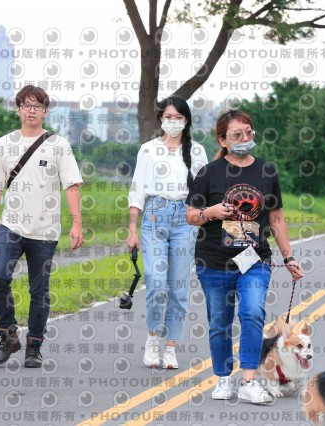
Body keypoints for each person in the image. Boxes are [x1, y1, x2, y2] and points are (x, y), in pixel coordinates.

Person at [186, 110, 303, 404]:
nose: (245, 138)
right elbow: (191, 216)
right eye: (237, 135)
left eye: (249, 132)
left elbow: (276, 218)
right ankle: (223, 379)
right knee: (219, 322)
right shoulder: (209, 173)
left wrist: (289, 258)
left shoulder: (266, 170)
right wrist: (212, 212)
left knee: (252, 313)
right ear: (222, 140)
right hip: (213, 261)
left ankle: (249, 381)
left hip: (255, 259)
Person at [0, 85, 84, 368]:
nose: (31, 110)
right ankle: (8, 336)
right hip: (10, 226)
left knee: (39, 290)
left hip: (45, 230)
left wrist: (77, 223)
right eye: (26, 105)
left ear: (45, 111)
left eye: (37, 106)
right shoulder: (3, 144)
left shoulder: (58, 145)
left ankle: (34, 347)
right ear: (18, 109)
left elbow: (71, 186)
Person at [127, 96, 208, 369]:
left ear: (186, 121)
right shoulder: (148, 150)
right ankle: (152, 339)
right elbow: (137, 190)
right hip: (154, 216)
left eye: (178, 118)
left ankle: (171, 347)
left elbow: (204, 191)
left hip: (186, 219)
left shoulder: (197, 151)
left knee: (179, 287)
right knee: (156, 282)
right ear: (161, 119)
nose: (173, 122)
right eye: (168, 117)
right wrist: (132, 229)